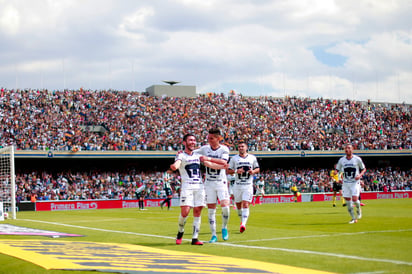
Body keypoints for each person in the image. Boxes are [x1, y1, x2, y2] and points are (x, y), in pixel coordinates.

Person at [170, 133, 227, 245]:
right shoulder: (181, 155)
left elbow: (209, 164)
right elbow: (177, 163)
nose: (193, 142)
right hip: (187, 186)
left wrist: (222, 166)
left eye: (194, 140)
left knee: (198, 211)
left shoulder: (197, 155)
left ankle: (195, 238)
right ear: (184, 142)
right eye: (190, 140)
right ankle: (180, 232)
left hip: (200, 187)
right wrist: (174, 166)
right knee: (185, 212)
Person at [194, 128, 231, 243]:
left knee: (225, 207)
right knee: (211, 210)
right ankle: (213, 235)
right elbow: (192, 153)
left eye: (211, 138)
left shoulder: (224, 149)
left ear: (218, 138)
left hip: (221, 182)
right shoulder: (204, 148)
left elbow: (224, 163)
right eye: (208, 138)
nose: (209, 140)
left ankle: (224, 227)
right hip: (209, 183)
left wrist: (209, 161)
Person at [227, 140, 260, 233]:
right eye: (239, 146)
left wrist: (253, 172)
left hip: (248, 185)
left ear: (246, 148)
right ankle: (241, 219)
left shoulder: (252, 158)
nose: (241, 148)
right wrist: (236, 171)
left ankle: (243, 224)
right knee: (238, 205)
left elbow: (257, 168)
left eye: (242, 146)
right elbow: (228, 170)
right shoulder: (234, 158)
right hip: (237, 185)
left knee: (245, 204)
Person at [336, 144, 366, 224]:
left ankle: (359, 209)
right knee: (348, 202)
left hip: (355, 182)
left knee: (355, 199)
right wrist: (338, 178)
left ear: (352, 149)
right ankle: (353, 218)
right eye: (346, 148)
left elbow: (363, 169)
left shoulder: (357, 159)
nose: (347, 149)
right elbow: (338, 170)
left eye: (349, 148)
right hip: (345, 183)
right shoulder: (341, 160)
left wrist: (359, 175)